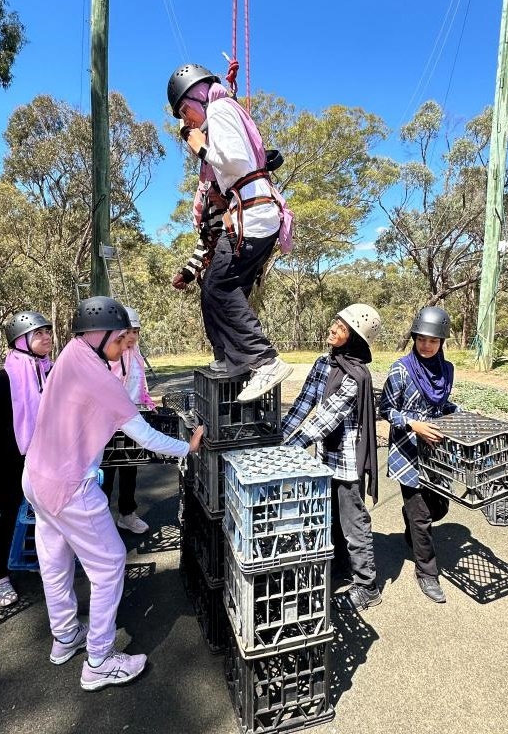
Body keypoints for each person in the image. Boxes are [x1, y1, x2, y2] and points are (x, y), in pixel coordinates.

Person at [21, 297, 203, 690]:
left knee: (55, 561)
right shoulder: (100, 377)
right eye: (122, 340)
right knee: (109, 563)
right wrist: (188, 447)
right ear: (100, 335)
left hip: (35, 477)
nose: (127, 347)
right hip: (70, 485)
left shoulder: (71, 353)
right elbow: (146, 436)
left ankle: (66, 636)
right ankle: (100, 659)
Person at [167, 63, 293, 402]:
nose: (186, 120)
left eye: (184, 110)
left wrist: (202, 147)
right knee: (215, 288)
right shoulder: (224, 109)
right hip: (256, 215)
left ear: (197, 95)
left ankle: (264, 360)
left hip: (252, 215)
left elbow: (235, 161)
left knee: (220, 285)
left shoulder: (220, 108)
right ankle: (232, 360)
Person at [281, 304, 382, 612]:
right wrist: (278, 435)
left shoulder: (357, 375)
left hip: (348, 459)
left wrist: (290, 447)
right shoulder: (324, 362)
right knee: (329, 514)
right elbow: (304, 403)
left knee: (353, 521)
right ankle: (340, 564)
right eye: (336, 322)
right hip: (326, 454)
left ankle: (367, 585)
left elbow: (326, 418)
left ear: (354, 338)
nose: (333, 328)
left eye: (342, 326)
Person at [380, 306, 457, 604]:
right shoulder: (401, 370)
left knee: (439, 508)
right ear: (414, 338)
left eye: (433, 341)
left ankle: (409, 519)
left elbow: (442, 406)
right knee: (423, 518)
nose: (426, 345)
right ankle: (427, 574)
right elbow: (386, 410)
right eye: (421, 339)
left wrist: (458, 413)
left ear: (441, 343)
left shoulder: (446, 370)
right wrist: (414, 424)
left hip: (435, 453)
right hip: (407, 452)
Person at [0, 311, 53, 608]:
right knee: (5, 519)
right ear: (21, 341)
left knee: (45, 513)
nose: (46, 337)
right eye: (38, 333)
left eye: (48, 332)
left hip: (45, 457)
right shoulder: (4, 379)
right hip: (8, 461)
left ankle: (42, 558)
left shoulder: (50, 371)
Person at [103, 306, 155, 534]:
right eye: (128, 331)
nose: (133, 336)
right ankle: (100, 517)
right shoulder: (111, 355)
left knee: (129, 469)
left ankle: (127, 514)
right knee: (105, 471)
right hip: (107, 424)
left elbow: (138, 385)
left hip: (132, 419)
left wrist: (148, 404)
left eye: (136, 331)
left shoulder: (136, 355)